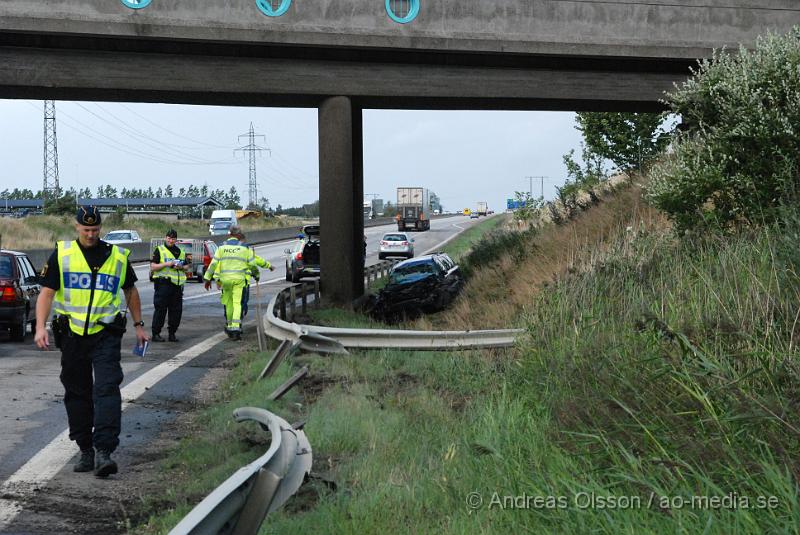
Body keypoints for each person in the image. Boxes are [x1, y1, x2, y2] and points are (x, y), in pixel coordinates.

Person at [34, 206, 149, 478]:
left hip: (105, 334)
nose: (90, 234)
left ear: (101, 228)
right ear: (76, 227)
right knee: (78, 393)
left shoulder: (117, 257)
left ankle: (104, 451)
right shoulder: (62, 254)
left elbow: (130, 290)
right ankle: (85, 449)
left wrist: (139, 325)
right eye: (86, 230)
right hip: (72, 336)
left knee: (107, 389)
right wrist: (40, 326)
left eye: (95, 230)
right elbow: (47, 293)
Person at [204, 226, 273, 340]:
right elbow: (252, 265)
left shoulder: (221, 247)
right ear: (239, 235)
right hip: (239, 280)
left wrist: (207, 279)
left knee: (229, 304)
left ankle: (230, 325)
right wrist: (256, 274)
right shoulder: (245, 248)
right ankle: (235, 327)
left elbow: (213, 265)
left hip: (225, 280)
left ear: (230, 234)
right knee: (237, 303)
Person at [149, 229, 187, 342]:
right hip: (163, 284)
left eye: (173, 238)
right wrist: (168, 264)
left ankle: (172, 333)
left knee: (176, 311)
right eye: (169, 238)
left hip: (177, 286)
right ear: (165, 238)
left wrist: (181, 267)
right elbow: (153, 267)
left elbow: (187, 266)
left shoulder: (180, 251)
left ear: (176, 239)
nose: (171, 240)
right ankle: (156, 334)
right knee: (160, 310)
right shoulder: (159, 250)